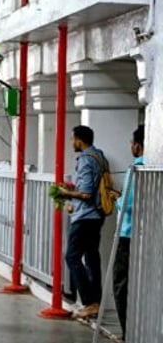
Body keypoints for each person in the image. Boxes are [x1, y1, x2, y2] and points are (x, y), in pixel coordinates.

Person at [56, 125, 109, 320]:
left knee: (72, 257)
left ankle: (89, 302)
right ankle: (96, 302)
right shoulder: (99, 156)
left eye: (73, 139)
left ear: (79, 140)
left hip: (85, 217)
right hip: (96, 215)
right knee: (92, 258)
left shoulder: (86, 160)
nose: (72, 143)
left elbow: (86, 193)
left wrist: (66, 193)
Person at [113, 125, 143, 343]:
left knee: (121, 285)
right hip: (148, 237)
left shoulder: (138, 168)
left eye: (132, 142)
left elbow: (129, 204)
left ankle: (128, 334)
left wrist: (117, 199)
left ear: (138, 145)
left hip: (129, 234)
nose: (130, 146)